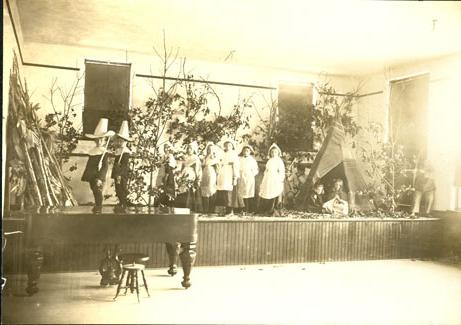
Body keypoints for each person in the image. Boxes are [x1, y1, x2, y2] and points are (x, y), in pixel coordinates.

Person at [81, 118, 115, 213]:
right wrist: (87, 175)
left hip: (98, 176)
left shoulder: (104, 153)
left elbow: (105, 167)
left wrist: (100, 178)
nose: (99, 142)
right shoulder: (93, 151)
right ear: (95, 140)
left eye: (101, 140)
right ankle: (97, 205)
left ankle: (99, 207)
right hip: (92, 175)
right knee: (94, 190)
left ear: (105, 140)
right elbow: (90, 165)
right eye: (97, 140)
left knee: (98, 190)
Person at [259, 143, 285, 216]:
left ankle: (275, 210)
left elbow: (281, 171)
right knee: (268, 192)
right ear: (270, 153)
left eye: (275, 152)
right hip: (268, 178)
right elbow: (266, 170)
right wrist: (265, 177)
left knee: (275, 192)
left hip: (275, 179)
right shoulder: (269, 160)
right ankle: (268, 209)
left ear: (278, 153)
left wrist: (280, 179)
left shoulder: (279, 161)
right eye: (272, 152)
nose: (273, 153)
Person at [111, 120, 132, 209]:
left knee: (122, 187)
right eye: (119, 141)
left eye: (122, 141)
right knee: (117, 187)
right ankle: (121, 201)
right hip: (117, 172)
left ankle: (124, 203)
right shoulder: (118, 150)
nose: (120, 143)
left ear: (126, 142)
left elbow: (124, 165)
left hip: (122, 173)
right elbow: (116, 162)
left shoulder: (126, 152)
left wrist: (119, 174)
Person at [176, 141, 202, 212]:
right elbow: (181, 167)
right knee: (182, 188)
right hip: (184, 173)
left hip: (191, 174)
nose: (189, 150)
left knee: (189, 188)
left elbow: (198, 169)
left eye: (190, 148)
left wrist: (198, 178)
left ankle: (190, 207)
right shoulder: (185, 157)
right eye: (188, 148)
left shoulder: (195, 158)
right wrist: (179, 175)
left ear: (193, 149)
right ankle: (182, 207)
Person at [216, 139, 239, 216]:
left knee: (229, 192)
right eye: (226, 145)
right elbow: (219, 163)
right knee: (222, 191)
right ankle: (223, 209)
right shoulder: (222, 154)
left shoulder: (234, 154)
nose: (227, 147)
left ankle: (230, 210)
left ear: (232, 146)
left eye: (229, 145)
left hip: (229, 173)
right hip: (222, 173)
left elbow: (236, 165)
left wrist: (235, 176)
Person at [236, 144, 259, 214]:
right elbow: (237, 167)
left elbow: (255, 170)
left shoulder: (252, 160)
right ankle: (241, 209)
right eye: (244, 151)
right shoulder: (239, 159)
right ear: (242, 152)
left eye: (247, 151)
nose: (246, 152)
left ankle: (248, 209)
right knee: (241, 193)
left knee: (249, 193)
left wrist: (251, 174)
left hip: (249, 177)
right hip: (241, 177)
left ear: (250, 152)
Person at [201, 142, 219, 213]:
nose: (209, 150)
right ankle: (205, 209)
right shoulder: (205, 157)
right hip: (204, 173)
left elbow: (218, 167)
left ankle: (211, 210)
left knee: (211, 189)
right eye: (208, 149)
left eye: (211, 149)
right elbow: (202, 165)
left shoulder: (214, 157)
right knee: (204, 190)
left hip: (211, 173)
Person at [159, 142, 177, 207]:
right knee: (163, 187)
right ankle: (163, 203)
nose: (165, 149)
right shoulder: (163, 156)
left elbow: (171, 166)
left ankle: (169, 203)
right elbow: (160, 164)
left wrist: (166, 175)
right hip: (163, 172)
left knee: (168, 187)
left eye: (166, 148)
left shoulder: (170, 156)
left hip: (168, 173)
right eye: (164, 148)